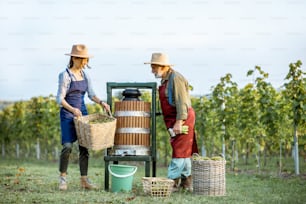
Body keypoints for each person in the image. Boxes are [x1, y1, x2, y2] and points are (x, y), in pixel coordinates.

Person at [56, 44, 110, 191]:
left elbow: (91, 94)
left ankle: (84, 180)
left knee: (84, 147)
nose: (85, 63)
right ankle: (62, 178)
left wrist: (101, 102)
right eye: (83, 60)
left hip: (83, 114)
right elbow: (60, 99)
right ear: (74, 58)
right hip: (68, 114)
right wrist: (73, 109)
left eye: (86, 60)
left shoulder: (85, 75)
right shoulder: (65, 75)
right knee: (67, 146)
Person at [145, 53, 199, 192]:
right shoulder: (165, 80)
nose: (152, 71)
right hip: (174, 120)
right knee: (184, 151)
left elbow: (182, 102)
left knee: (179, 151)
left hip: (183, 118)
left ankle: (172, 183)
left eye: (154, 67)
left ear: (163, 66)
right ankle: (187, 182)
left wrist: (179, 122)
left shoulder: (176, 78)